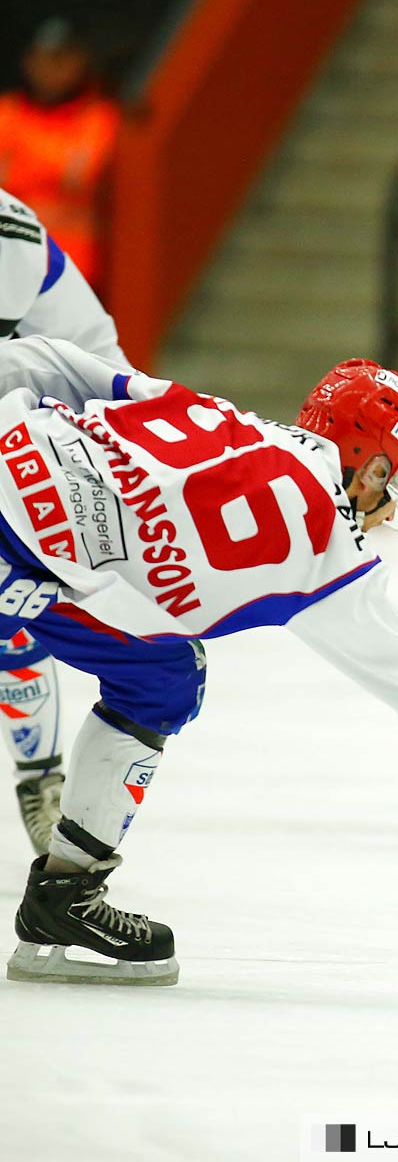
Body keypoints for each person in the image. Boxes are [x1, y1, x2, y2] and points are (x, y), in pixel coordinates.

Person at [1, 345, 398, 987]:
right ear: (366, 465)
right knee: (161, 683)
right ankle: (65, 895)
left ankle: (64, 900)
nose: (393, 510)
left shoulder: (223, 419)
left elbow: (51, 361)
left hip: (22, 485)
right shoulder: (325, 543)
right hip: (21, 554)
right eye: (396, 485)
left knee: (160, 673)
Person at [1, 187, 125, 860]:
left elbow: (98, 372)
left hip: (49, 427)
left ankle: (41, 778)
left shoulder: (9, 235)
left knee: (9, 605)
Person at [0, 20, 123, 292]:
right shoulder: (7, 113)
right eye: (40, 59)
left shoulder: (99, 118)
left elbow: (77, 175)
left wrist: (24, 166)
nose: (48, 70)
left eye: (60, 60)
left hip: (71, 272)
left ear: (81, 62)